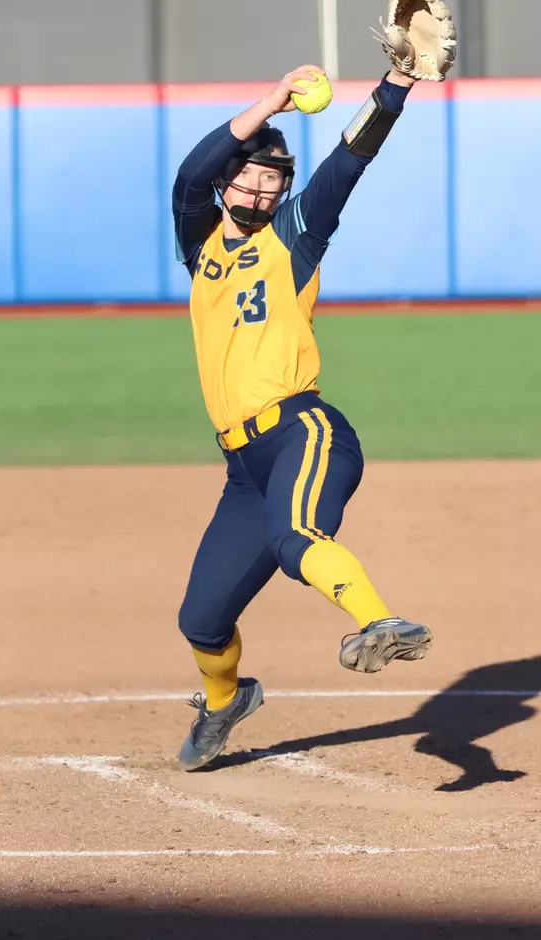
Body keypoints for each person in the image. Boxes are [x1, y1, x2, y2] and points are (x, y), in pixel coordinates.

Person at [172, 59, 433, 771]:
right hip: (241, 468)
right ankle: (225, 703)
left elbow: (351, 158)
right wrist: (273, 102)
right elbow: (193, 174)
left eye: (273, 179)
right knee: (201, 622)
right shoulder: (200, 247)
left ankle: (379, 622)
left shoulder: (293, 237)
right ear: (229, 183)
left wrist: (396, 84)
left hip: (302, 432)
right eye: (249, 174)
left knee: (295, 537)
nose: (261, 187)